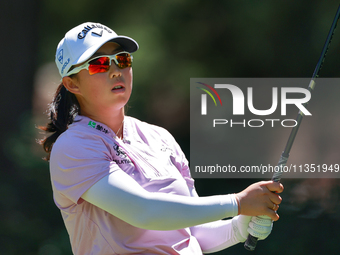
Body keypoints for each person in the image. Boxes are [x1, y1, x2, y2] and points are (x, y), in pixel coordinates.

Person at [39, 22, 284, 255]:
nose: (116, 71)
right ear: (72, 84)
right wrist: (237, 202)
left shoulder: (159, 137)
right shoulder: (73, 146)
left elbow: (193, 231)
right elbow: (144, 211)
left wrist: (239, 227)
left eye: (122, 59)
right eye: (100, 64)